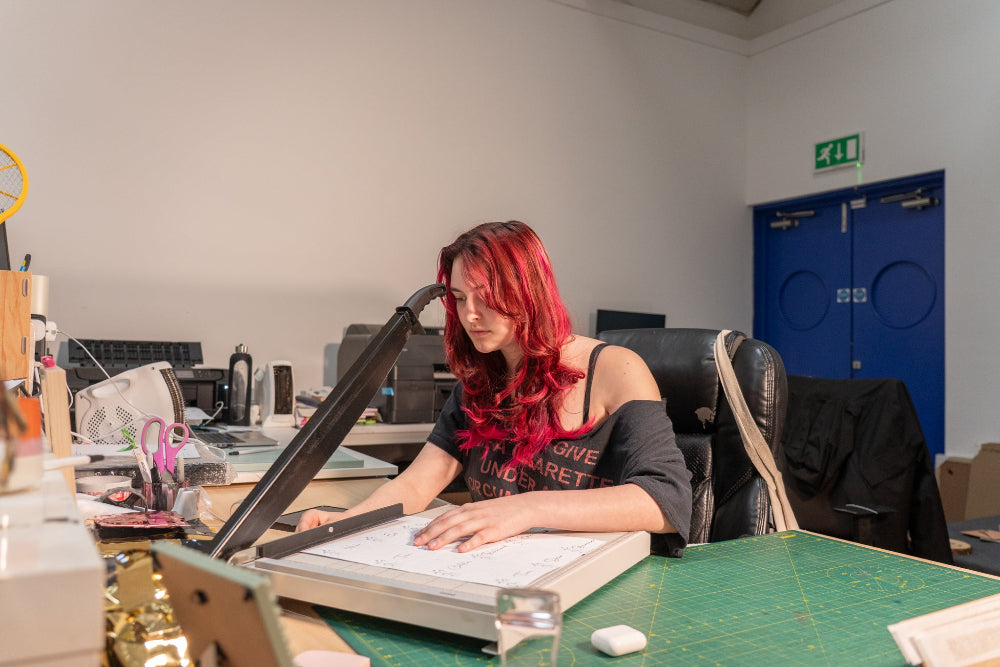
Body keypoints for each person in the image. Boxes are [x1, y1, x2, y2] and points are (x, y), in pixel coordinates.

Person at [298, 221, 692, 555]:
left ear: (528, 291)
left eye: (485, 297)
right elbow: (417, 484)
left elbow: (666, 500)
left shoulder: (616, 369)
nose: (469, 315)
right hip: (497, 569)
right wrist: (345, 522)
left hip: (586, 576)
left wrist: (527, 508)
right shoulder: (478, 381)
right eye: (459, 298)